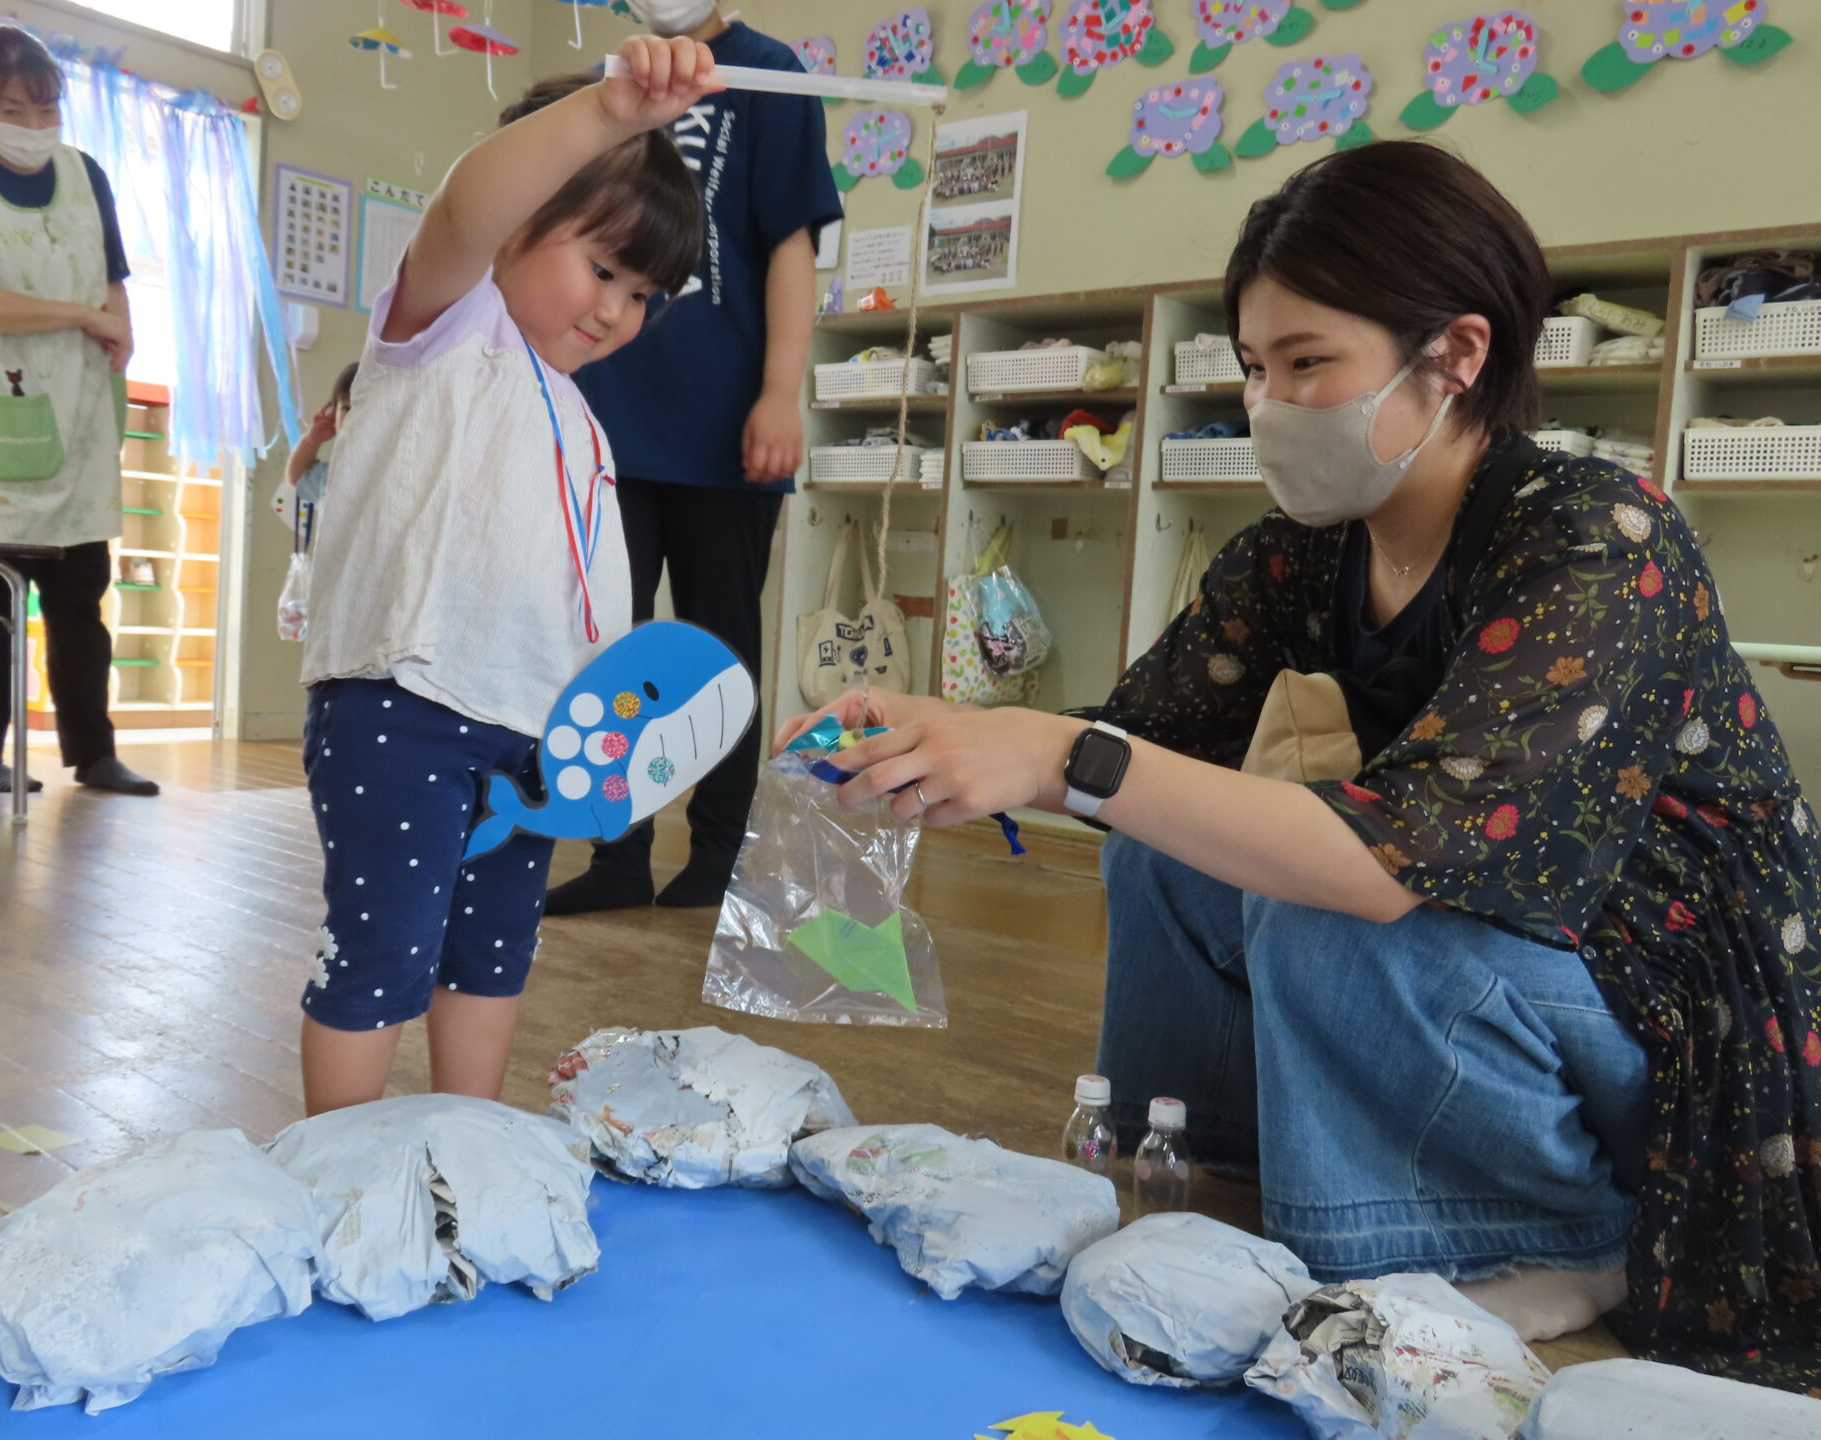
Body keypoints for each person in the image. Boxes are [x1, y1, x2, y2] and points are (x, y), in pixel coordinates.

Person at [783, 142, 1821, 1387]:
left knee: (1325, 905)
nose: (1269, 404)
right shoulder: (1307, 551)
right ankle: (1225, 1153)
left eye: (1308, 363)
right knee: (1169, 857)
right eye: (1253, 367)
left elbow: (1396, 859)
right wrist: (938, 743)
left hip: (1659, 983)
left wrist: (1060, 755)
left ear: (1457, 355)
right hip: (1505, 947)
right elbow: (1144, 748)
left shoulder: (1597, 533)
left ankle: (1554, 1227)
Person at [294, 36, 711, 1116]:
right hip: (405, 708)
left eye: (643, 294)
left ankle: (466, 1147)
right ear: (518, 226)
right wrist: (610, 114)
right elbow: (465, 208)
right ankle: (335, 1173)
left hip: (529, 736)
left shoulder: (579, 417)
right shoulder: (447, 328)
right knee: (383, 955)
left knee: (491, 960)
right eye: (603, 269)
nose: (616, 312)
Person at [546, 0, 843, 916]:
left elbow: (791, 244)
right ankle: (617, 853)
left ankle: (720, 852)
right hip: (609, 418)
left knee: (721, 648)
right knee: (612, 645)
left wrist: (779, 393)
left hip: (727, 426)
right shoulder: (613, 79)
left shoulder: (769, 73)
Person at [0, 23, 156, 797]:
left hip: (79, 413)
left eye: (46, 110)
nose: (33, 126)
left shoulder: (85, 174)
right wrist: (83, 317)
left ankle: (94, 753)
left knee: (81, 591)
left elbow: (111, 278)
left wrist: (119, 327)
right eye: (14, 109)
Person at [274, 360, 358, 528]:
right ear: (334, 413)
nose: (351, 417)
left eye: (361, 409)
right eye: (346, 408)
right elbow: (296, 477)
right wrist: (311, 441)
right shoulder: (331, 473)